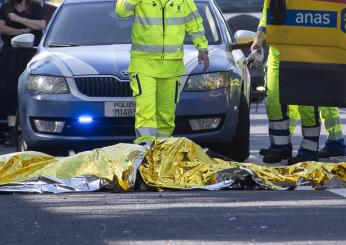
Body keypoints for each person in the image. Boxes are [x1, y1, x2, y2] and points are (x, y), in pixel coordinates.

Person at [115, 0, 209, 145]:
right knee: (146, 112)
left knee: (166, 116)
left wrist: (202, 48)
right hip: (144, 65)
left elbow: (194, 21)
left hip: (172, 67)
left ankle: (163, 152)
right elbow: (121, 11)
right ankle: (146, 152)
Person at [252, 0, 321, 164]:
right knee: (274, 100)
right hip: (278, 51)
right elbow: (266, 17)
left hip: (306, 50)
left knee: (307, 102)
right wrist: (258, 40)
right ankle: (280, 147)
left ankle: (309, 151)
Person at [0, 0, 45, 147]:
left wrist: (17, 19)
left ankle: (24, 131)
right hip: (10, 54)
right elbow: (2, 28)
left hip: (30, 54)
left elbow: (41, 25)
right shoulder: (6, 8)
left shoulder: (36, 7)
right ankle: (12, 132)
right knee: (9, 90)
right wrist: (23, 31)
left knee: (29, 89)